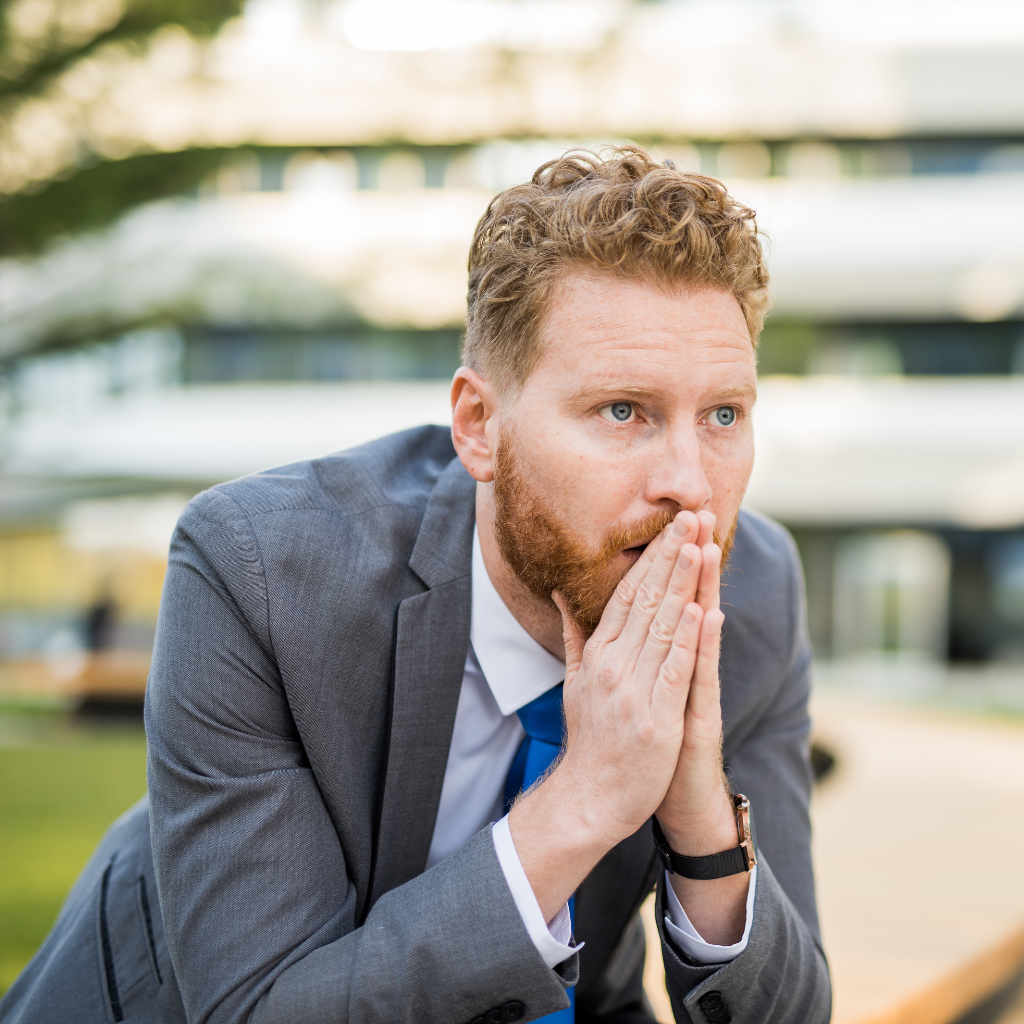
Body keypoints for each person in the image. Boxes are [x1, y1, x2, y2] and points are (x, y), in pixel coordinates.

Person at [0, 146, 831, 1024]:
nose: (691, 485)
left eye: (723, 415)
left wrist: (702, 817)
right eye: (623, 411)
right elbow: (260, 1010)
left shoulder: (757, 593)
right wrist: (587, 798)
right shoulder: (259, 573)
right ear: (479, 425)